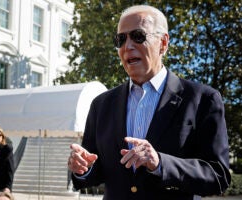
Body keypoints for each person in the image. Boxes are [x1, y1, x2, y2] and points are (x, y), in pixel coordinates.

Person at [67, 4, 230, 200]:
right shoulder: (101, 104)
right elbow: (96, 171)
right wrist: (83, 168)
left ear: (163, 43)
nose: (127, 46)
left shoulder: (202, 99)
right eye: (121, 39)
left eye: (138, 36)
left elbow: (218, 175)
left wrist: (160, 163)